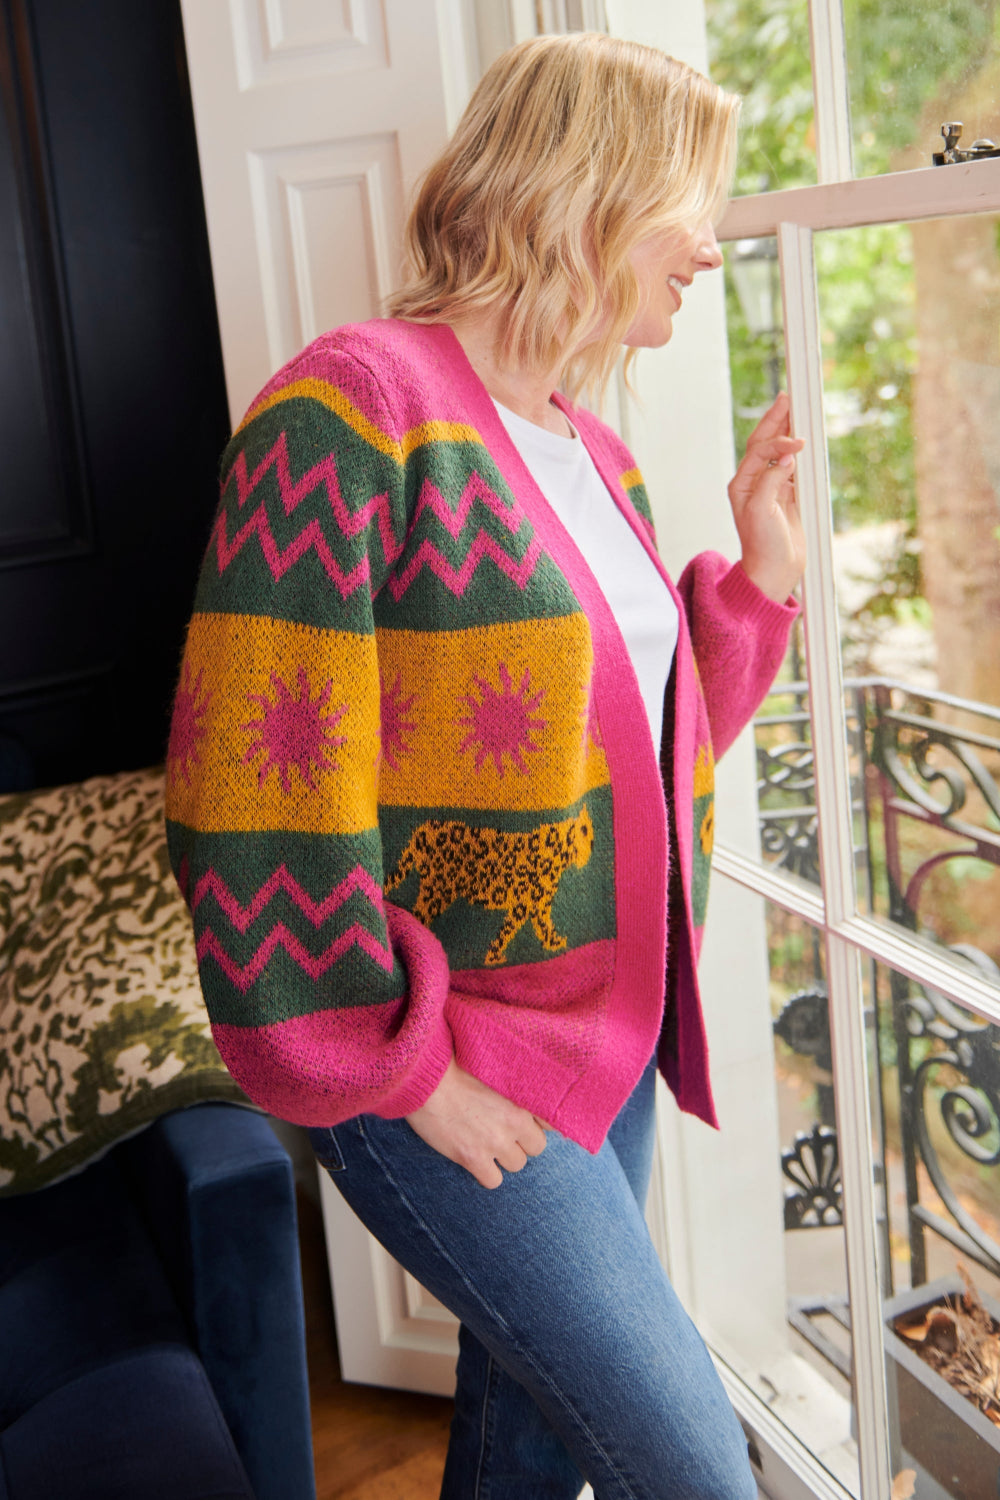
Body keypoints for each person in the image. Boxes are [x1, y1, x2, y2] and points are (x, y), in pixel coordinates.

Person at [165, 31, 804, 1500]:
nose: (708, 242)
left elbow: (632, 755)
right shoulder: (353, 405)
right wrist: (407, 1069)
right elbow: (248, 788)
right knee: (692, 1467)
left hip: (605, 1042)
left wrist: (755, 586)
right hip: (454, 1063)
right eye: (689, 198)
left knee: (524, 1444)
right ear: (589, 187)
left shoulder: (597, 451)